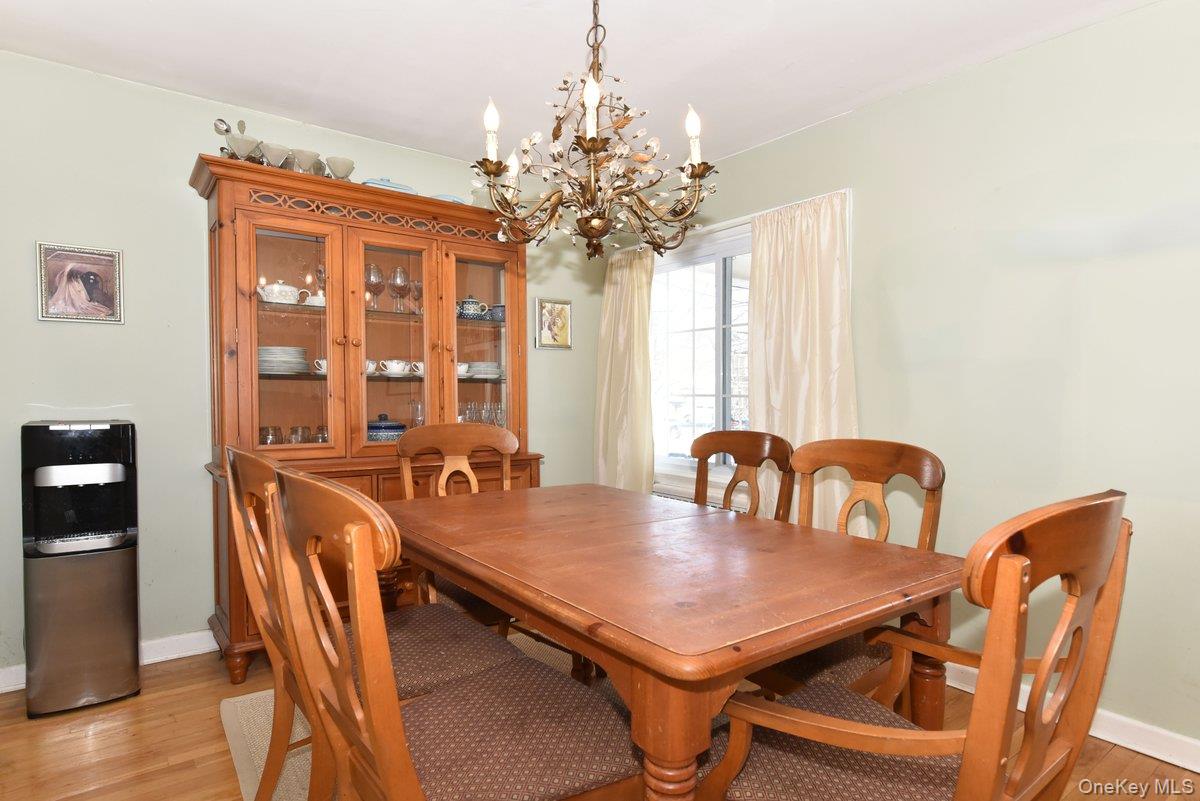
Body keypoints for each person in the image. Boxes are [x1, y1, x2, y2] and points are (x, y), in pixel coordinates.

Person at [48, 263, 112, 317]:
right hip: (72, 293)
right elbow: (74, 291)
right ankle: (77, 304)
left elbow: (80, 291)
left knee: (80, 301)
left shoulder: (76, 281)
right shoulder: (70, 282)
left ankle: (78, 303)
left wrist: (80, 294)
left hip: (75, 294)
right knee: (73, 301)